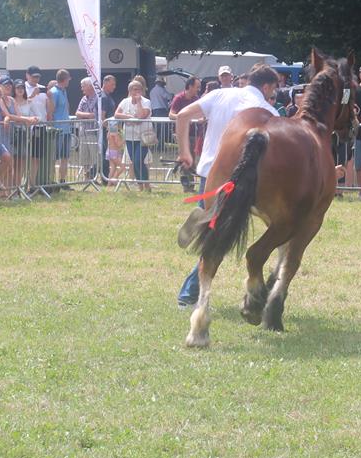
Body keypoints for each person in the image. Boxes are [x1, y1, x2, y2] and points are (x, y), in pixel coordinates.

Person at [174, 63, 281, 306]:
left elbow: (182, 116)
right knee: (218, 238)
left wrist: (185, 152)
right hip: (240, 181)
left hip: (209, 175)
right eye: (273, 89)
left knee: (214, 231)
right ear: (266, 87)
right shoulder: (267, 111)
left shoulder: (220, 94)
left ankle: (202, 220)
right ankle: (188, 294)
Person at [115, 79, 152, 191]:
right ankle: (140, 185)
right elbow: (116, 114)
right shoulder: (125, 101)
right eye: (135, 89)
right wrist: (129, 117)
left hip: (143, 137)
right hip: (130, 137)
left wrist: (139, 102)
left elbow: (141, 116)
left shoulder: (146, 102)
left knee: (138, 160)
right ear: (130, 91)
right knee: (134, 163)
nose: (137, 92)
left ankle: (146, 184)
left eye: (140, 89)